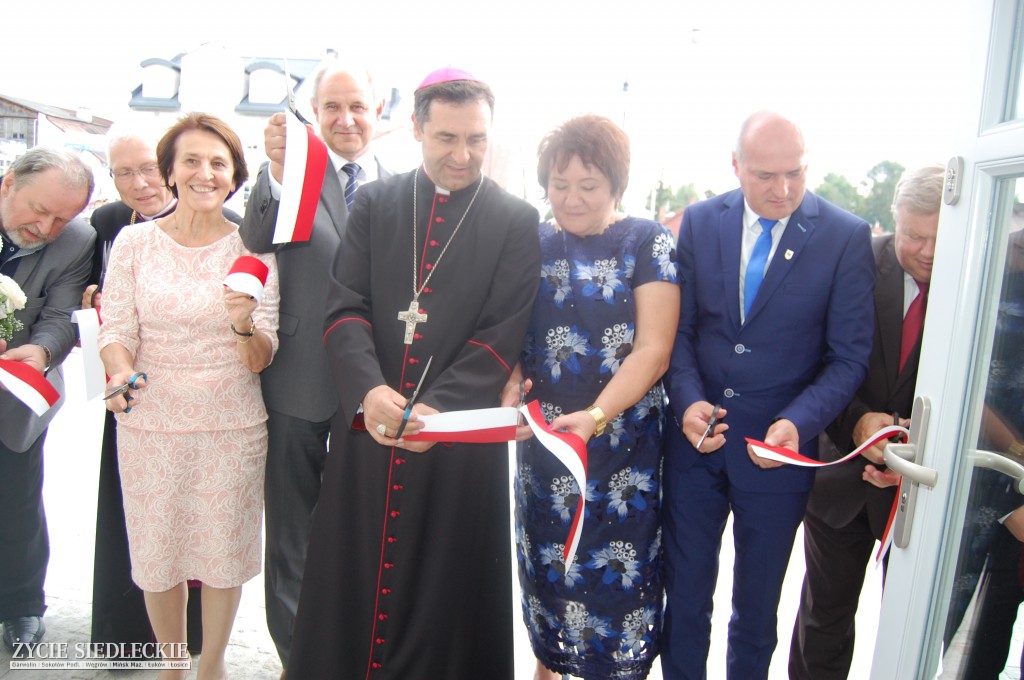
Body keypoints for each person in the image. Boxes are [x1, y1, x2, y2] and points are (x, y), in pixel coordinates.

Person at [287, 67, 541, 680]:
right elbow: (344, 306)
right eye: (447, 138)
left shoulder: (514, 218)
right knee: (353, 576)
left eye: (476, 139)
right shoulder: (376, 202)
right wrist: (371, 391)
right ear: (416, 130)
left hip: (456, 438)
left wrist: (435, 411)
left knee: (445, 587)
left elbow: (500, 333)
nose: (463, 154)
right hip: (368, 427)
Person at [660, 111, 876, 679]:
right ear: (735, 167)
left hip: (777, 456)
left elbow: (848, 357)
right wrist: (686, 402)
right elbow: (677, 332)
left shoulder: (844, 236)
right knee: (684, 603)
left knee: (755, 614)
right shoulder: (702, 222)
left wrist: (797, 424)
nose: (782, 190)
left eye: (796, 174)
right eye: (765, 176)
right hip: (694, 449)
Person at [97, 112, 279, 678]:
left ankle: (212, 666)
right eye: (191, 161)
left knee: (224, 555)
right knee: (158, 556)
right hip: (150, 421)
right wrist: (118, 371)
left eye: (218, 163)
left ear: (234, 176)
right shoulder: (133, 243)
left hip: (232, 424)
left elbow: (261, 357)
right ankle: (174, 665)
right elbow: (116, 329)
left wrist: (243, 324)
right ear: (170, 172)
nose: (205, 173)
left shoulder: (255, 251)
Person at [504, 114, 679, 679]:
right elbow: (509, 330)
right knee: (549, 568)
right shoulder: (533, 240)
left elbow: (653, 350)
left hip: (620, 441)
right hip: (545, 440)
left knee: (614, 576)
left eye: (588, 186)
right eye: (560, 185)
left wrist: (598, 415)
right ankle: (545, 668)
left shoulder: (647, 240)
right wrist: (509, 377)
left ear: (616, 187)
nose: (571, 199)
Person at [239, 59, 390, 669]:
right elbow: (255, 237)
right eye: (332, 107)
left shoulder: (406, 187)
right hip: (298, 382)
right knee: (293, 539)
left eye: (357, 106)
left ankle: (361, 649)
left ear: (380, 111)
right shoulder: (292, 175)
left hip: (375, 389)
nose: (346, 119)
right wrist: (276, 173)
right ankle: (299, 660)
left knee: (367, 533)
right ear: (314, 115)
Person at [788, 163, 944, 679]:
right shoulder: (854, 262)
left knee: (915, 629)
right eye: (913, 236)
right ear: (894, 222)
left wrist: (919, 457)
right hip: (841, 476)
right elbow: (818, 361)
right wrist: (857, 425)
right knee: (825, 619)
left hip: (923, 489)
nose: (925, 251)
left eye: (938, 238)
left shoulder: (975, 285)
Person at [0, 147, 95, 652]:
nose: (47, 227)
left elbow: (60, 317)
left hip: (15, 391)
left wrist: (40, 349)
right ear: (8, 183)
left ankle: (20, 607)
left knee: (16, 499)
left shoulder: (76, 242)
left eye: (62, 218)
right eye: (39, 211)